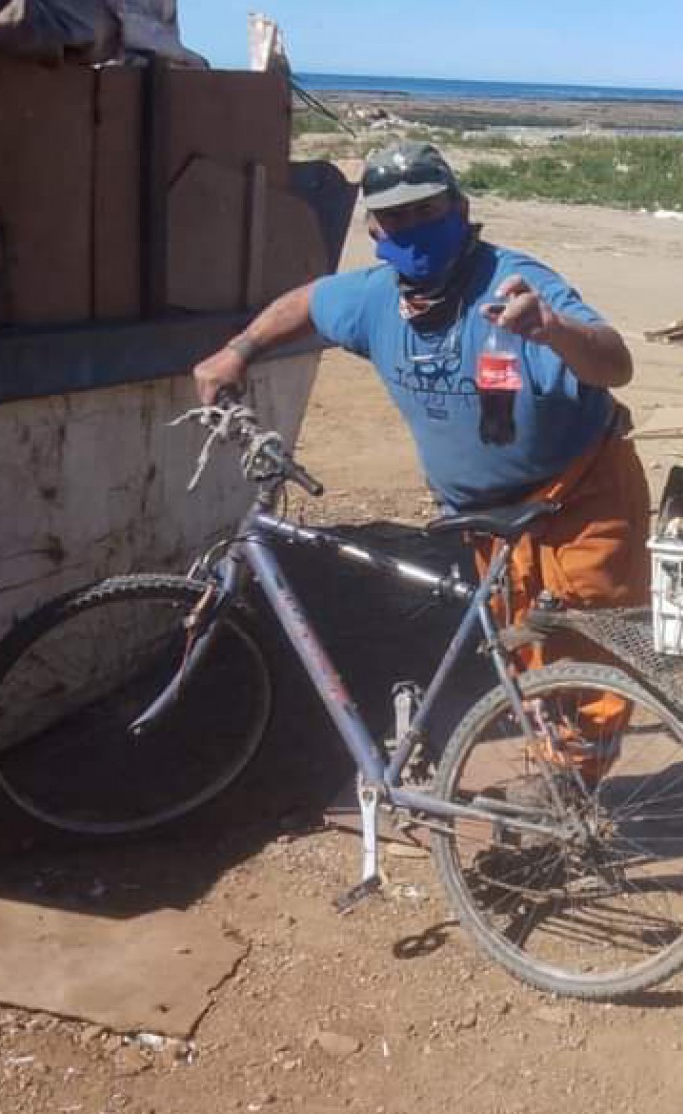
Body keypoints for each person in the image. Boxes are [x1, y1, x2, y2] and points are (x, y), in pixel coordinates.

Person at [191, 140, 648, 777]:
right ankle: (556, 768)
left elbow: (615, 364)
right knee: (524, 644)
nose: (412, 228)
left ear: (460, 208)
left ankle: (577, 793)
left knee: (588, 643)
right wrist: (239, 350)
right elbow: (308, 302)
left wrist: (552, 328)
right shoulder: (375, 298)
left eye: (427, 210)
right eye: (396, 217)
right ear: (374, 229)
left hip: (578, 491)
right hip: (483, 513)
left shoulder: (515, 283)